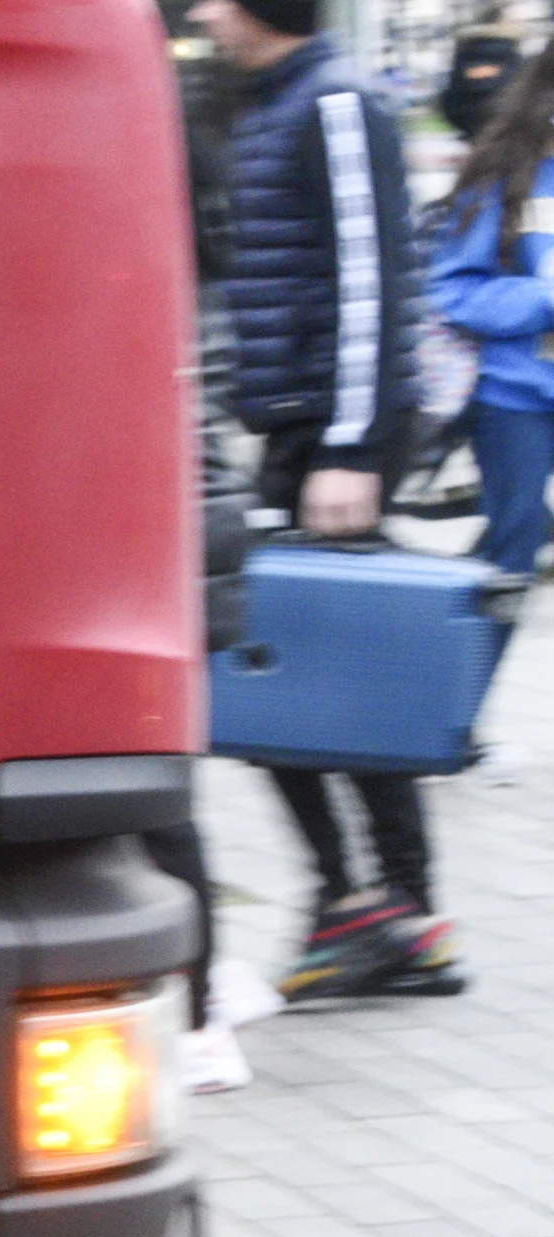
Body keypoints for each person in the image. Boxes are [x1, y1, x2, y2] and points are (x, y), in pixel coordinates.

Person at [190, 0, 465, 1002]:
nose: (207, 12)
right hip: (302, 428)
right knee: (293, 677)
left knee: (331, 675)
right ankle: (372, 902)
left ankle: (394, 907)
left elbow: (370, 280)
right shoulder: (268, 104)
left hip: (340, 431)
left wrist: (349, 448)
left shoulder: (337, 101)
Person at [433, 48, 554, 588]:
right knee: (512, 554)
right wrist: (544, 299)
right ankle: (468, 662)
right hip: (516, 400)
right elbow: (452, 291)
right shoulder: (507, 171)